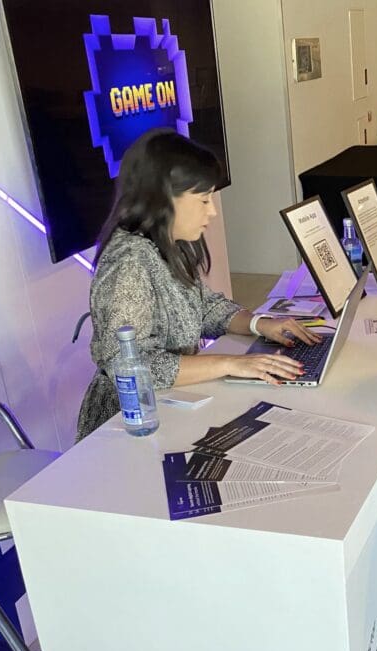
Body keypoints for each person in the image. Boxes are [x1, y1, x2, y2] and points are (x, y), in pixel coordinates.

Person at [75, 129, 320, 440]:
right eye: (204, 200)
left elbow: (203, 307)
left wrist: (260, 324)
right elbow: (128, 367)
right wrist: (231, 363)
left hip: (170, 406)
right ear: (162, 198)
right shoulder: (129, 264)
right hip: (129, 425)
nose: (213, 211)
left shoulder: (166, 243)